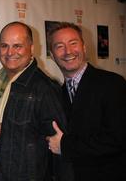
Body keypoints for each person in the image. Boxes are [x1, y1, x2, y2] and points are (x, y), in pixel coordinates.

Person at [0, 21, 70, 181]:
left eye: (17, 46)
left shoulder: (45, 88)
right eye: (5, 45)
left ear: (32, 48)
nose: (10, 52)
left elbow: (59, 152)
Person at [46, 22, 126, 181]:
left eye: (73, 43)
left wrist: (65, 146)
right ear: (52, 54)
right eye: (59, 46)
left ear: (84, 47)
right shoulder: (56, 94)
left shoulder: (112, 83)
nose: (68, 51)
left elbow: (118, 138)